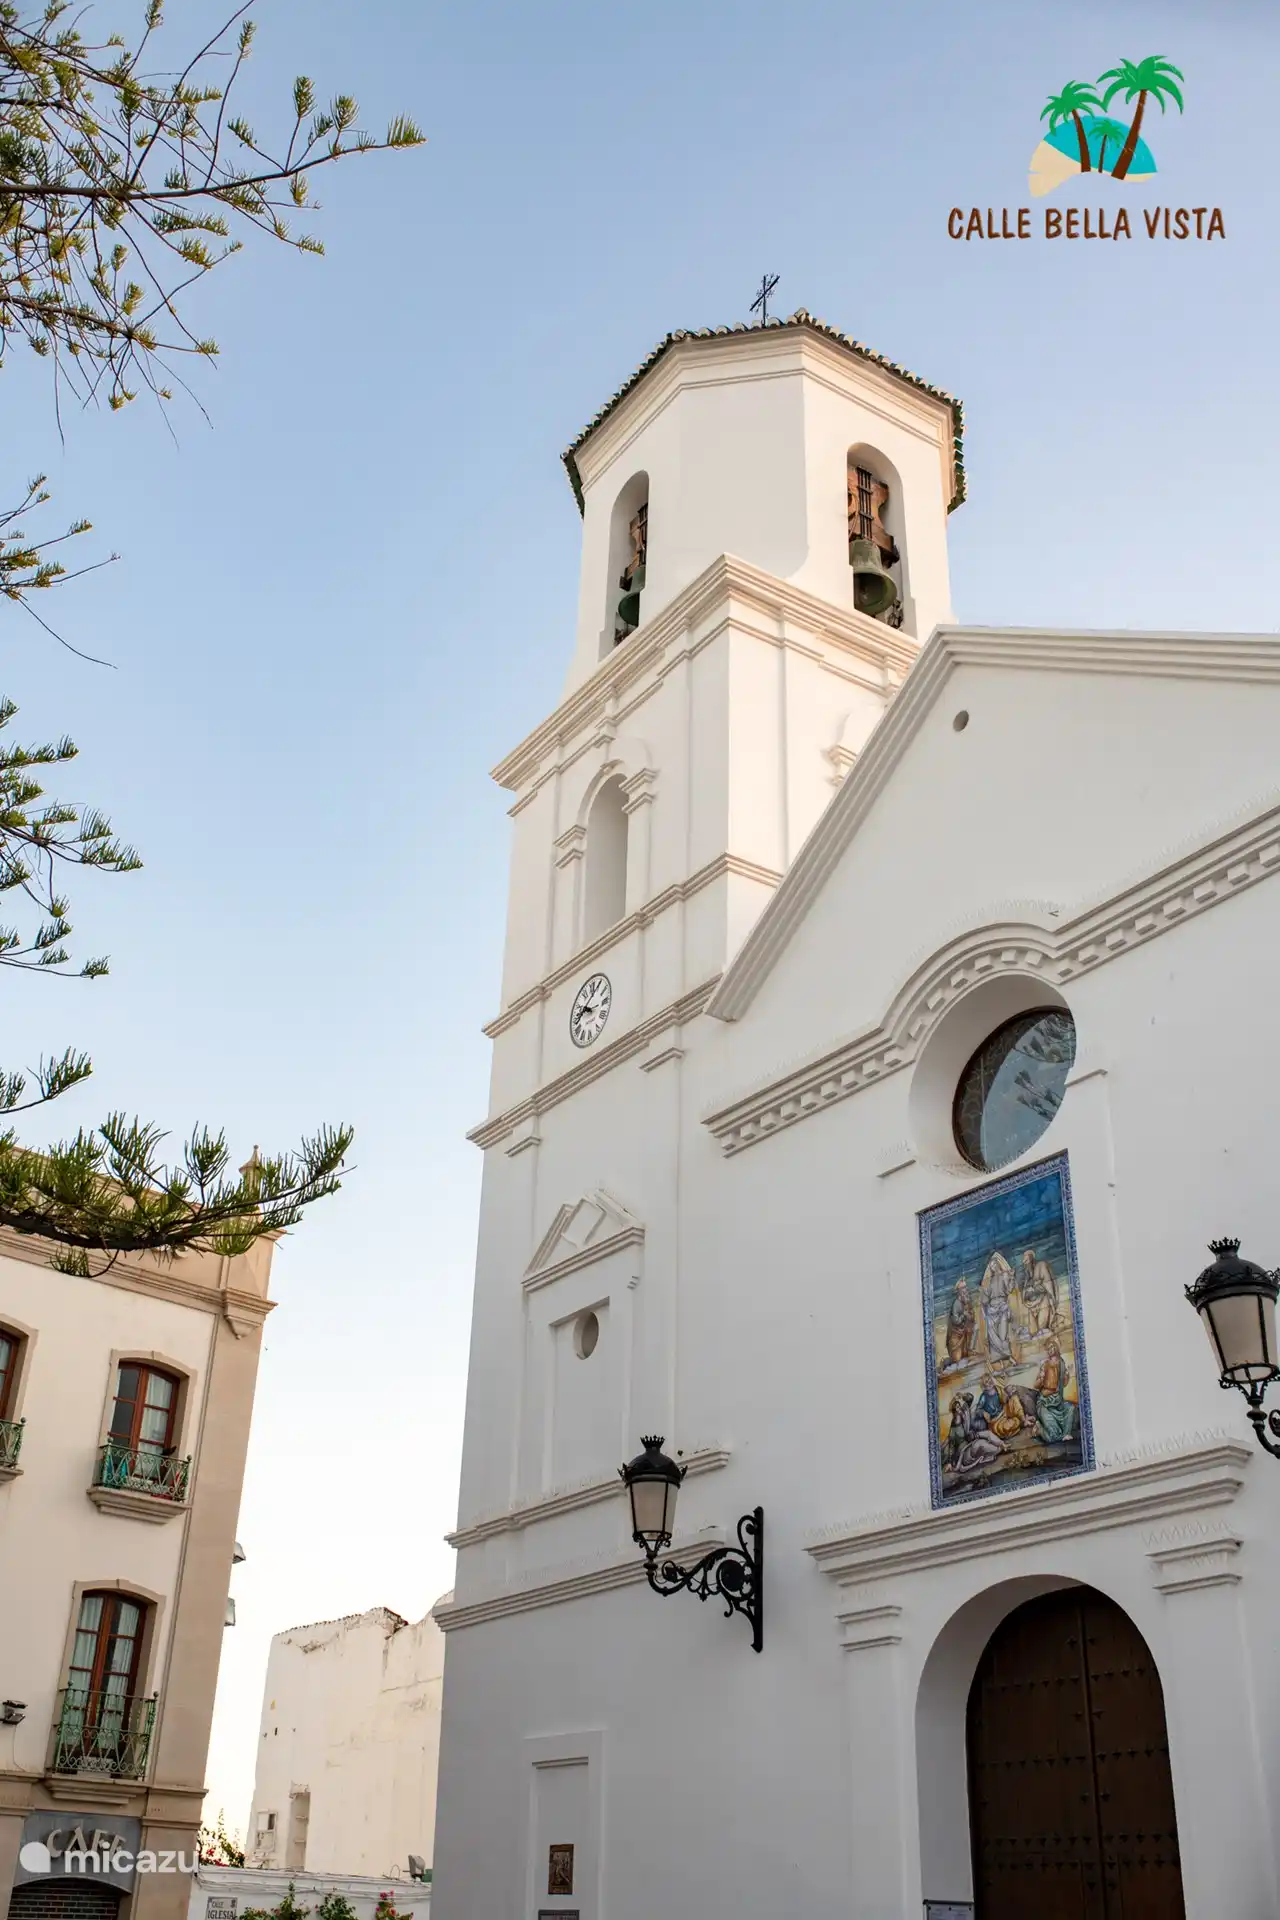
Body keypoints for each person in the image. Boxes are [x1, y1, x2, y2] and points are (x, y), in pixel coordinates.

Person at [1033, 1337, 1076, 1443]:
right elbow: (1036, 1385)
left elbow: (1063, 1384)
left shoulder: (1061, 1363)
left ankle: (1066, 1434)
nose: (1050, 1350)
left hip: (1058, 1402)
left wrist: (1067, 1375)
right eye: (1048, 1348)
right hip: (1045, 1404)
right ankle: (1039, 1429)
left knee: (1070, 1408)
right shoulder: (1045, 1365)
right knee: (1053, 1436)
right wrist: (1041, 1378)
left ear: (1056, 1348)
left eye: (1052, 1347)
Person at [979, 1250, 1017, 1367]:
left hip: (1002, 1308)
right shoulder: (989, 1282)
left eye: (994, 1264)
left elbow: (1009, 1289)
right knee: (993, 1338)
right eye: (991, 1265)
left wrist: (1012, 1277)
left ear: (998, 1264)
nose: (993, 1267)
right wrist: (983, 1293)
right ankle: (999, 1362)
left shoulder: (1004, 1276)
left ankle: (1009, 1357)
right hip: (992, 1311)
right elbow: (985, 1299)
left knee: (1003, 1335)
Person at [1020, 1248, 1060, 1334]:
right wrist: (1027, 1292)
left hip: (1043, 1301)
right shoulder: (1027, 1274)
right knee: (1032, 1332)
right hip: (1031, 1305)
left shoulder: (1041, 1266)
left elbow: (1047, 1284)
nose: (1025, 1263)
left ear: (1031, 1259)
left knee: (1043, 1328)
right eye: (1024, 1261)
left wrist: (1034, 1289)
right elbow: (1025, 1291)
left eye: (1026, 1260)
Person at [946, 1278, 975, 1365]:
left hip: (965, 1331)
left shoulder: (966, 1301)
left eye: (966, 1287)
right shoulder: (956, 1304)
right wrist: (964, 1315)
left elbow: (972, 1316)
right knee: (957, 1358)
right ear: (959, 1291)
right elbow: (956, 1321)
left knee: (975, 1328)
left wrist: (970, 1316)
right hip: (956, 1335)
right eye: (963, 1288)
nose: (966, 1290)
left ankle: (969, 1349)